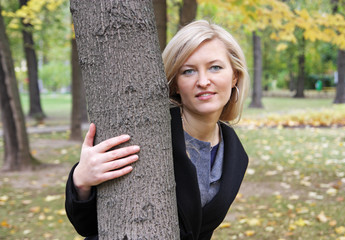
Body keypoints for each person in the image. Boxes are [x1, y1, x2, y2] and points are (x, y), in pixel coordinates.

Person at [65, 20, 249, 240]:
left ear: (235, 76)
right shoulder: (146, 132)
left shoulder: (236, 154)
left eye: (215, 67)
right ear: (174, 84)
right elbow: (88, 225)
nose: (203, 81)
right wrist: (81, 180)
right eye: (188, 71)